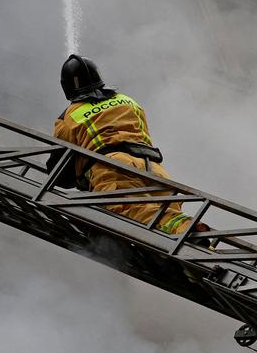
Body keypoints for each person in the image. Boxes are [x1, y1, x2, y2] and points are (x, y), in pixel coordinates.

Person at [51, 54, 201, 235]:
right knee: (165, 224)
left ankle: (187, 228)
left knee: (128, 211)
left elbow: (60, 171)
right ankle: (201, 243)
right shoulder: (128, 101)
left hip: (114, 168)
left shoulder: (68, 116)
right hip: (155, 171)